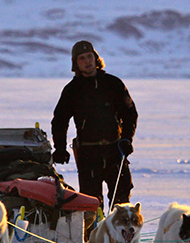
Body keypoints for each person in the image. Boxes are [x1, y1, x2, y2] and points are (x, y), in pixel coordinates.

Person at [51, 40, 137, 218]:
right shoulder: (72, 90)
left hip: (115, 151)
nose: (87, 61)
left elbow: (130, 114)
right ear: (76, 63)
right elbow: (59, 121)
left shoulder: (113, 84)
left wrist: (127, 139)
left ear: (96, 58)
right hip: (88, 154)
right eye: (82, 58)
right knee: (91, 206)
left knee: (121, 204)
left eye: (90, 56)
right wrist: (59, 148)